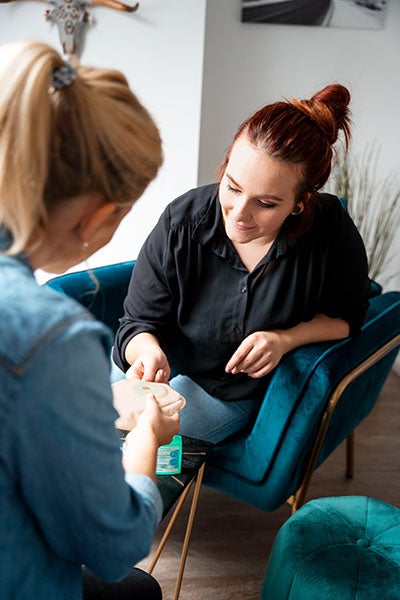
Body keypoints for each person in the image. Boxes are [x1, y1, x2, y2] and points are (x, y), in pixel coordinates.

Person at [0, 40, 180, 599]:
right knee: (136, 586)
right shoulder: (52, 336)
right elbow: (110, 545)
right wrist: (147, 435)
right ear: (101, 216)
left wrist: (96, 399)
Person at [112, 83, 370, 444]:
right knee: (83, 429)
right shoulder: (182, 221)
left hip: (228, 393)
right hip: (154, 374)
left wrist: (284, 339)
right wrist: (148, 350)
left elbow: (348, 318)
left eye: (265, 203)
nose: (239, 215)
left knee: (136, 445)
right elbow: (137, 323)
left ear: (300, 202)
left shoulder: (329, 233)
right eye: (232, 187)